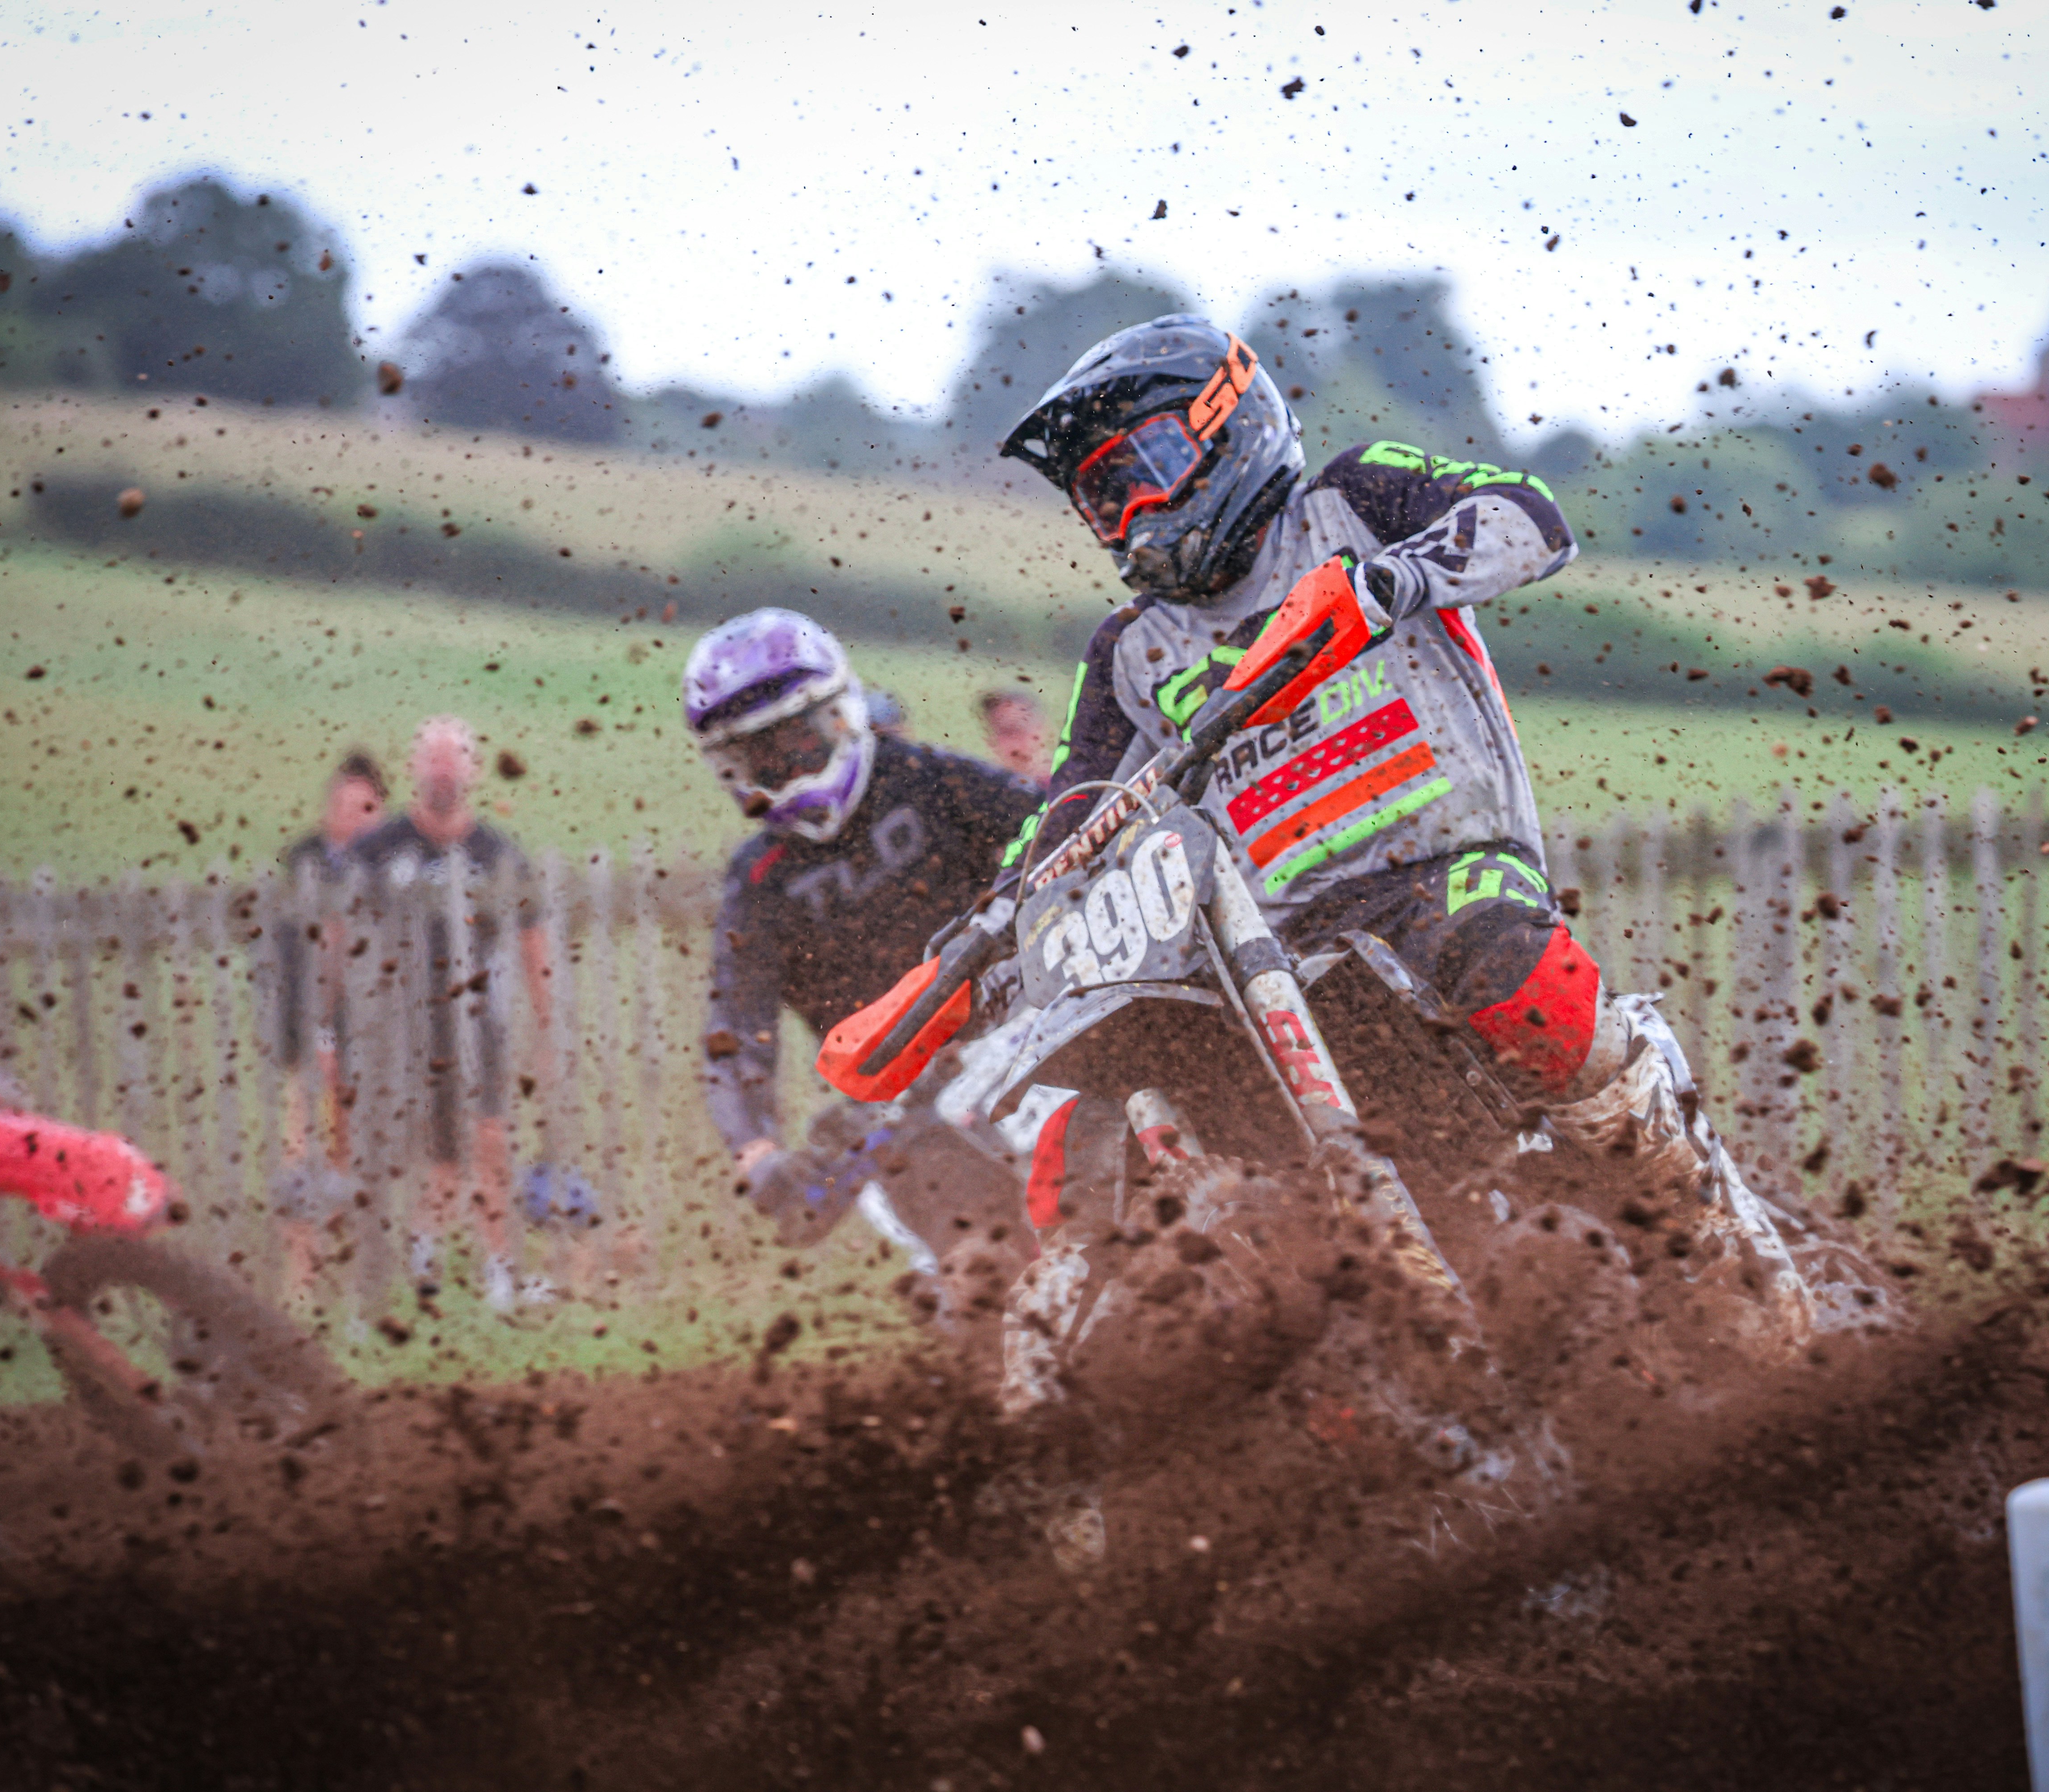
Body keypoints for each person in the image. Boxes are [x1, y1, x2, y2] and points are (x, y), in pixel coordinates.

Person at [991, 316, 1766, 1289]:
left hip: (1441, 869)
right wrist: (992, 922)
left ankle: (1700, 1215)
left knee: (1509, 971)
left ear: (1230, 419)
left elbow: (1533, 517)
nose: (1134, 510)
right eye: (1102, 495)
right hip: (1278, 947)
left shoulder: (1351, 501)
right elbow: (1070, 807)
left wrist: (1391, 581)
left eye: (1146, 464)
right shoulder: (1130, 649)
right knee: (1160, 1117)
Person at [682, 610, 1038, 1223]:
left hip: (1029, 1037)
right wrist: (760, 1155)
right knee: (978, 1287)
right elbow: (737, 1028)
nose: (789, 766)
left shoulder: (927, 776)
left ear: (841, 713)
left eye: (799, 740)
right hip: (904, 1114)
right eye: (761, 756)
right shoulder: (760, 879)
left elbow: (1057, 824)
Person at [352, 719, 555, 1313]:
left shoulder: (497, 854)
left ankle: (496, 1272)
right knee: (424, 1155)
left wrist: (546, 1027)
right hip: (396, 1028)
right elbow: (334, 932)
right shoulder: (379, 850)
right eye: (433, 759)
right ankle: (409, 1265)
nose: (443, 770)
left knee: (488, 1141)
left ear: (472, 770)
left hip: (477, 1024)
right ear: (416, 768)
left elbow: (533, 937)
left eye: (454, 759)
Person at [268, 750, 385, 1311]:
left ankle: (360, 1288)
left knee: (362, 1165)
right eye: (343, 806)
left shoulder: (390, 867)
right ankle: (302, 1284)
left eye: (365, 808)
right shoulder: (304, 864)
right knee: (303, 1159)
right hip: (314, 1043)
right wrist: (319, 1040)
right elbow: (300, 965)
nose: (353, 817)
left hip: (378, 1047)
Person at [977, 689, 1050, 782]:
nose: (1015, 744)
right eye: (1004, 732)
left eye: (1019, 729)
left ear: (1043, 728)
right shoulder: (986, 785)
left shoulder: (1066, 787)